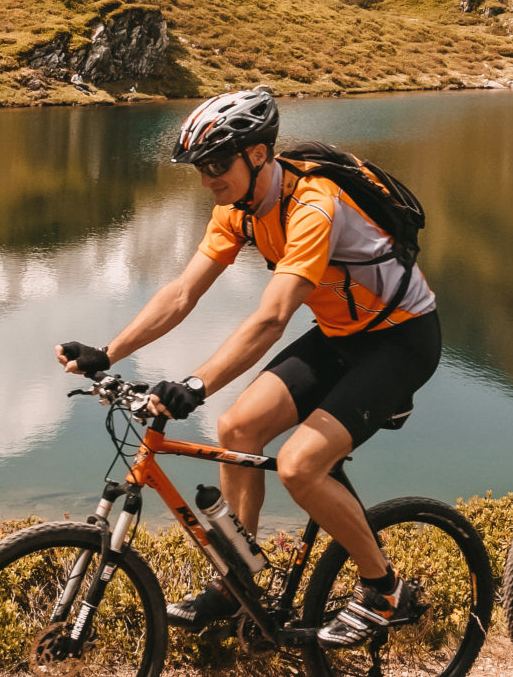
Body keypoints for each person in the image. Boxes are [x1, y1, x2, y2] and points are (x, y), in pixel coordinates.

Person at [54, 87, 442, 645]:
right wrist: (109, 351)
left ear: (258, 154)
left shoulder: (313, 203)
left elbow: (272, 317)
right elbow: (182, 293)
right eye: (199, 167)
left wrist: (196, 383)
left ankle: (385, 591)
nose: (208, 176)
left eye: (217, 163)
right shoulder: (236, 211)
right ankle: (239, 580)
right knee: (237, 429)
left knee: (300, 465)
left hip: (401, 340)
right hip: (339, 335)